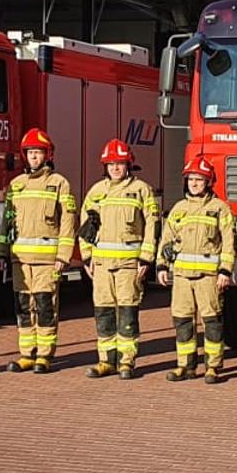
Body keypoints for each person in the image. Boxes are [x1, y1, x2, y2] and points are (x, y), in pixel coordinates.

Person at [0, 128, 77, 374]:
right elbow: (6, 222)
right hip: (20, 260)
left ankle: (44, 355)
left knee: (44, 305)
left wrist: (64, 256)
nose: (33, 157)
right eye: (30, 152)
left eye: (38, 152)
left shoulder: (59, 184)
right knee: (22, 305)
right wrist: (0, 253)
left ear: (47, 155)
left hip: (47, 261)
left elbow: (68, 222)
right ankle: (26, 354)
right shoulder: (16, 185)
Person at [79, 139, 161, 380]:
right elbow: (86, 227)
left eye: (120, 164)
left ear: (129, 165)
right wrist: (86, 256)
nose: (115, 168)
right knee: (103, 312)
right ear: (105, 166)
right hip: (102, 265)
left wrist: (146, 259)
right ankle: (106, 360)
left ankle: (127, 361)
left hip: (129, 265)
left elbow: (152, 225)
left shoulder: (142, 190)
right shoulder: (96, 192)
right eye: (111, 164)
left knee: (127, 311)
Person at [159, 156, 236, 384]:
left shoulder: (219, 209)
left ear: (208, 182)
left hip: (209, 278)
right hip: (181, 277)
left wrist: (225, 270)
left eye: (199, 179)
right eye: (191, 179)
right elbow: (166, 239)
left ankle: (212, 366)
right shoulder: (179, 209)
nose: (194, 183)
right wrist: (162, 266)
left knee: (211, 321)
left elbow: (229, 242)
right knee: (182, 321)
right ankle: (185, 365)